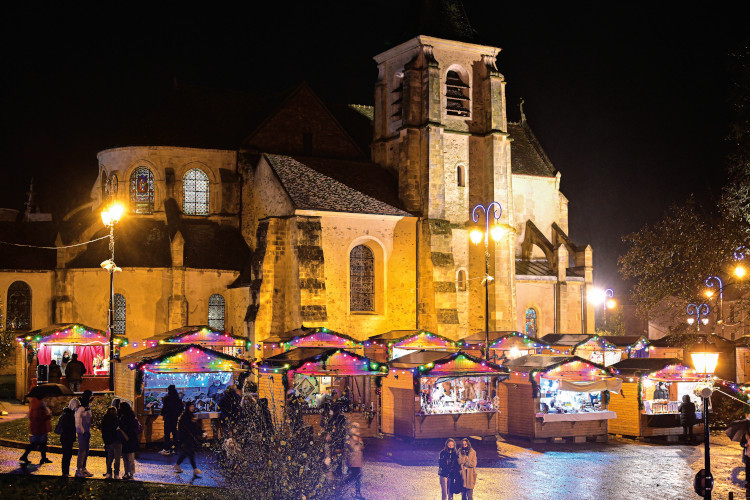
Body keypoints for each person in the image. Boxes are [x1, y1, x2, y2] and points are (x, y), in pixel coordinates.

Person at [19, 396, 52, 466]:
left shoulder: (36, 404)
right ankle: (24, 456)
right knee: (35, 443)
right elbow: (38, 417)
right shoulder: (38, 405)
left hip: (38, 428)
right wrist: (47, 415)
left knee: (42, 443)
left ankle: (43, 458)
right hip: (39, 428)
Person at [174, 402, 203, 478]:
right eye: (191, 406)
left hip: (190, 437)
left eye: (193, 406)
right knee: (190, 452)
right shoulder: (185, 416)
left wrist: (201, 432)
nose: (192, 408)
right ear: (187, 407)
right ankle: (194, 469)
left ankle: (177, 465)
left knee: (188, 452)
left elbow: (194, 427)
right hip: (186, 437)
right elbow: (184, 427)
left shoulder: (191, 415)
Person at [74, 390, 94, 477]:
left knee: (86, 450)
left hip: (87, 431)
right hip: (82, 433)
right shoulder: (81, 408)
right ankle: (79, 469)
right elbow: (78, 423)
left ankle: (83, 468)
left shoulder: (87, 407)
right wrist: (83, 432)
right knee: (82, 450)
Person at [160, 385, 183, 455]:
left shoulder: (167, 398)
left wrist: (163, 413)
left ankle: (167, 449)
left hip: (168, 418)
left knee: (167, 434)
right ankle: (175, 448)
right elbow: (181, 408)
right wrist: (177, 414)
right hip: (174, 418)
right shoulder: (178, 399)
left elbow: (164, 408)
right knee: (174, 433)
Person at [57, 398, 78, 477]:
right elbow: (68, 427)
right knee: (66, 455)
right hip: (67, 437)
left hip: (67, 437)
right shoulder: (68, 415)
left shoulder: (69, 414)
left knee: (68, 455)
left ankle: (66, 472)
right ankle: (65, 472)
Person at [118, 402, 139, 480]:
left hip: (125, 438)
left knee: (125, 457)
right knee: (130, 457)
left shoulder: (123, 417)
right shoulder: (132, 416)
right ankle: (131, 473)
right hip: (132, 438)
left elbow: (121, 427)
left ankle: (127, 472)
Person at [344, 422, 365, 498]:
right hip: (353, 461)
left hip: (358, 460)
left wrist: (360, 442)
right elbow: (352, 449)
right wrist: (357, 444)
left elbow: (361, 447)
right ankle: (341, 486)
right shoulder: (349, 439)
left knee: (356, 477)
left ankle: (357, 493)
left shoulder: (357, 438)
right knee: (355, 477)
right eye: (356, 428)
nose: (357, 430)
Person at [100, 406, 122, 479]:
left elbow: (103, 430)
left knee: (110, 458)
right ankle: (116, 474)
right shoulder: (117, 419)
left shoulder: (105, 419)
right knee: (117, 459)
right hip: (117, 441)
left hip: (109, 441)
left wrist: (105, 440)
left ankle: (109, 472)